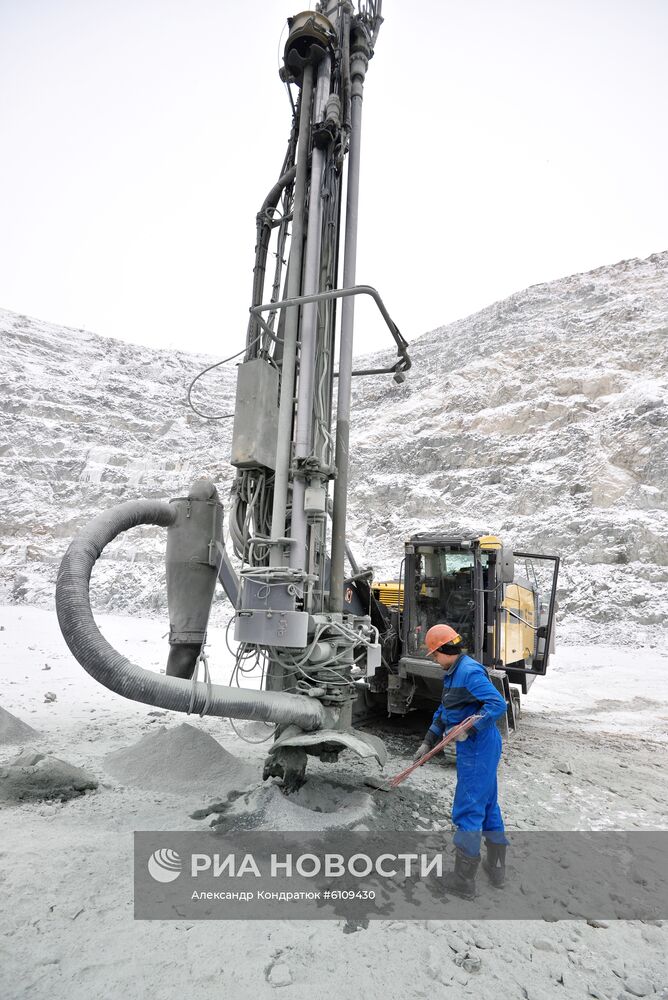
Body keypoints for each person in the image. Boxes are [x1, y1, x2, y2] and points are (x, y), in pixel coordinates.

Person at [413, 623, 509, 899]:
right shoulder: (454, 673)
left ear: (446, 649)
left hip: (478, 747)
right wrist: (428, 741)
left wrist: (469, 728)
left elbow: (497, 704)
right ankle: (497, 868)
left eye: (435, 655)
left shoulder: (468, 672)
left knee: (468, 807)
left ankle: (463, 881)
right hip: (479, 747)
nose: (434, 659)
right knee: (488, 804)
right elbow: (447, 709)